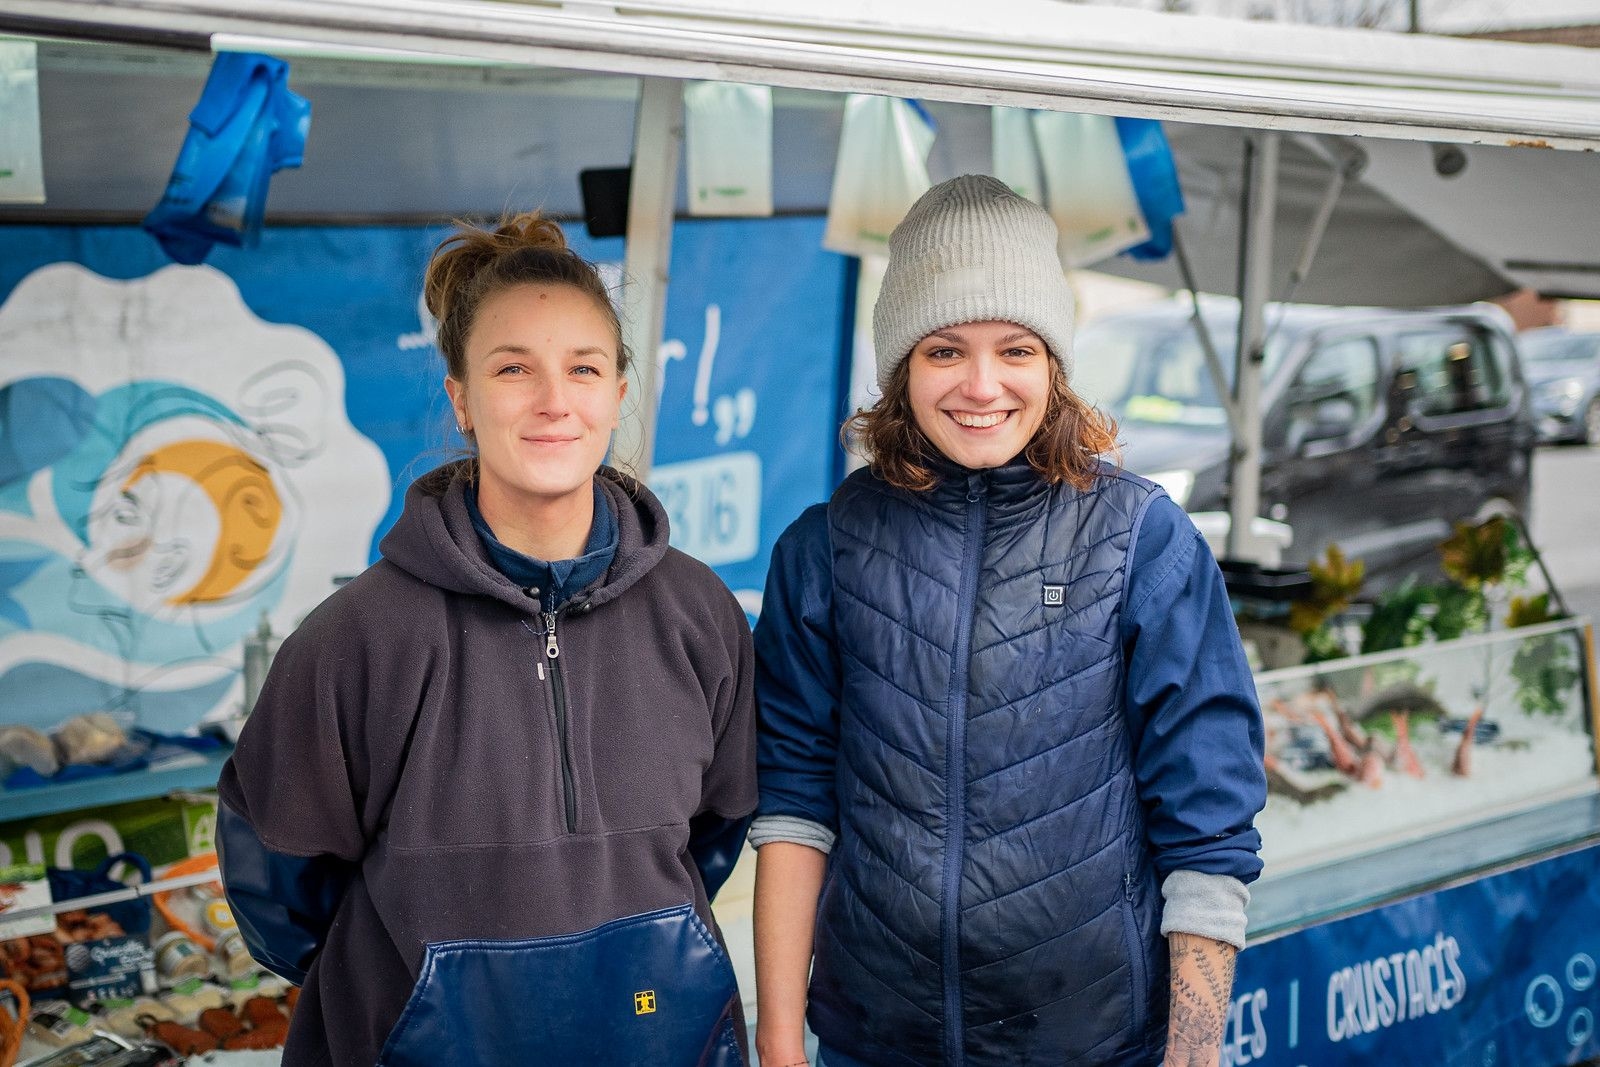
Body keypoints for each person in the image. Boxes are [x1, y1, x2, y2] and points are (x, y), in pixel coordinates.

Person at [217, 213, 758, 1067]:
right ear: (461, 398)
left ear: (618, 394)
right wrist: (427, 996)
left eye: (582, 368)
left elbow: (716, 833)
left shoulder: (699, 614)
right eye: (514, 369)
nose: (553, 401)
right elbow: (281, 889)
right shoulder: (353, 642)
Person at [751, 175, 1267, 1067]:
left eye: (1016, 348)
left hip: (1092, 1043)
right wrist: (780, 1040)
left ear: (1053, 364)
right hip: (875, 1044)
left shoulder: (1143, 540)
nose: (982, 385)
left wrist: (1191, 1058)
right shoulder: (825, 548)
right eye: (945, 350)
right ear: (900, 366)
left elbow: (1209, 830)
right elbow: (795, 807)